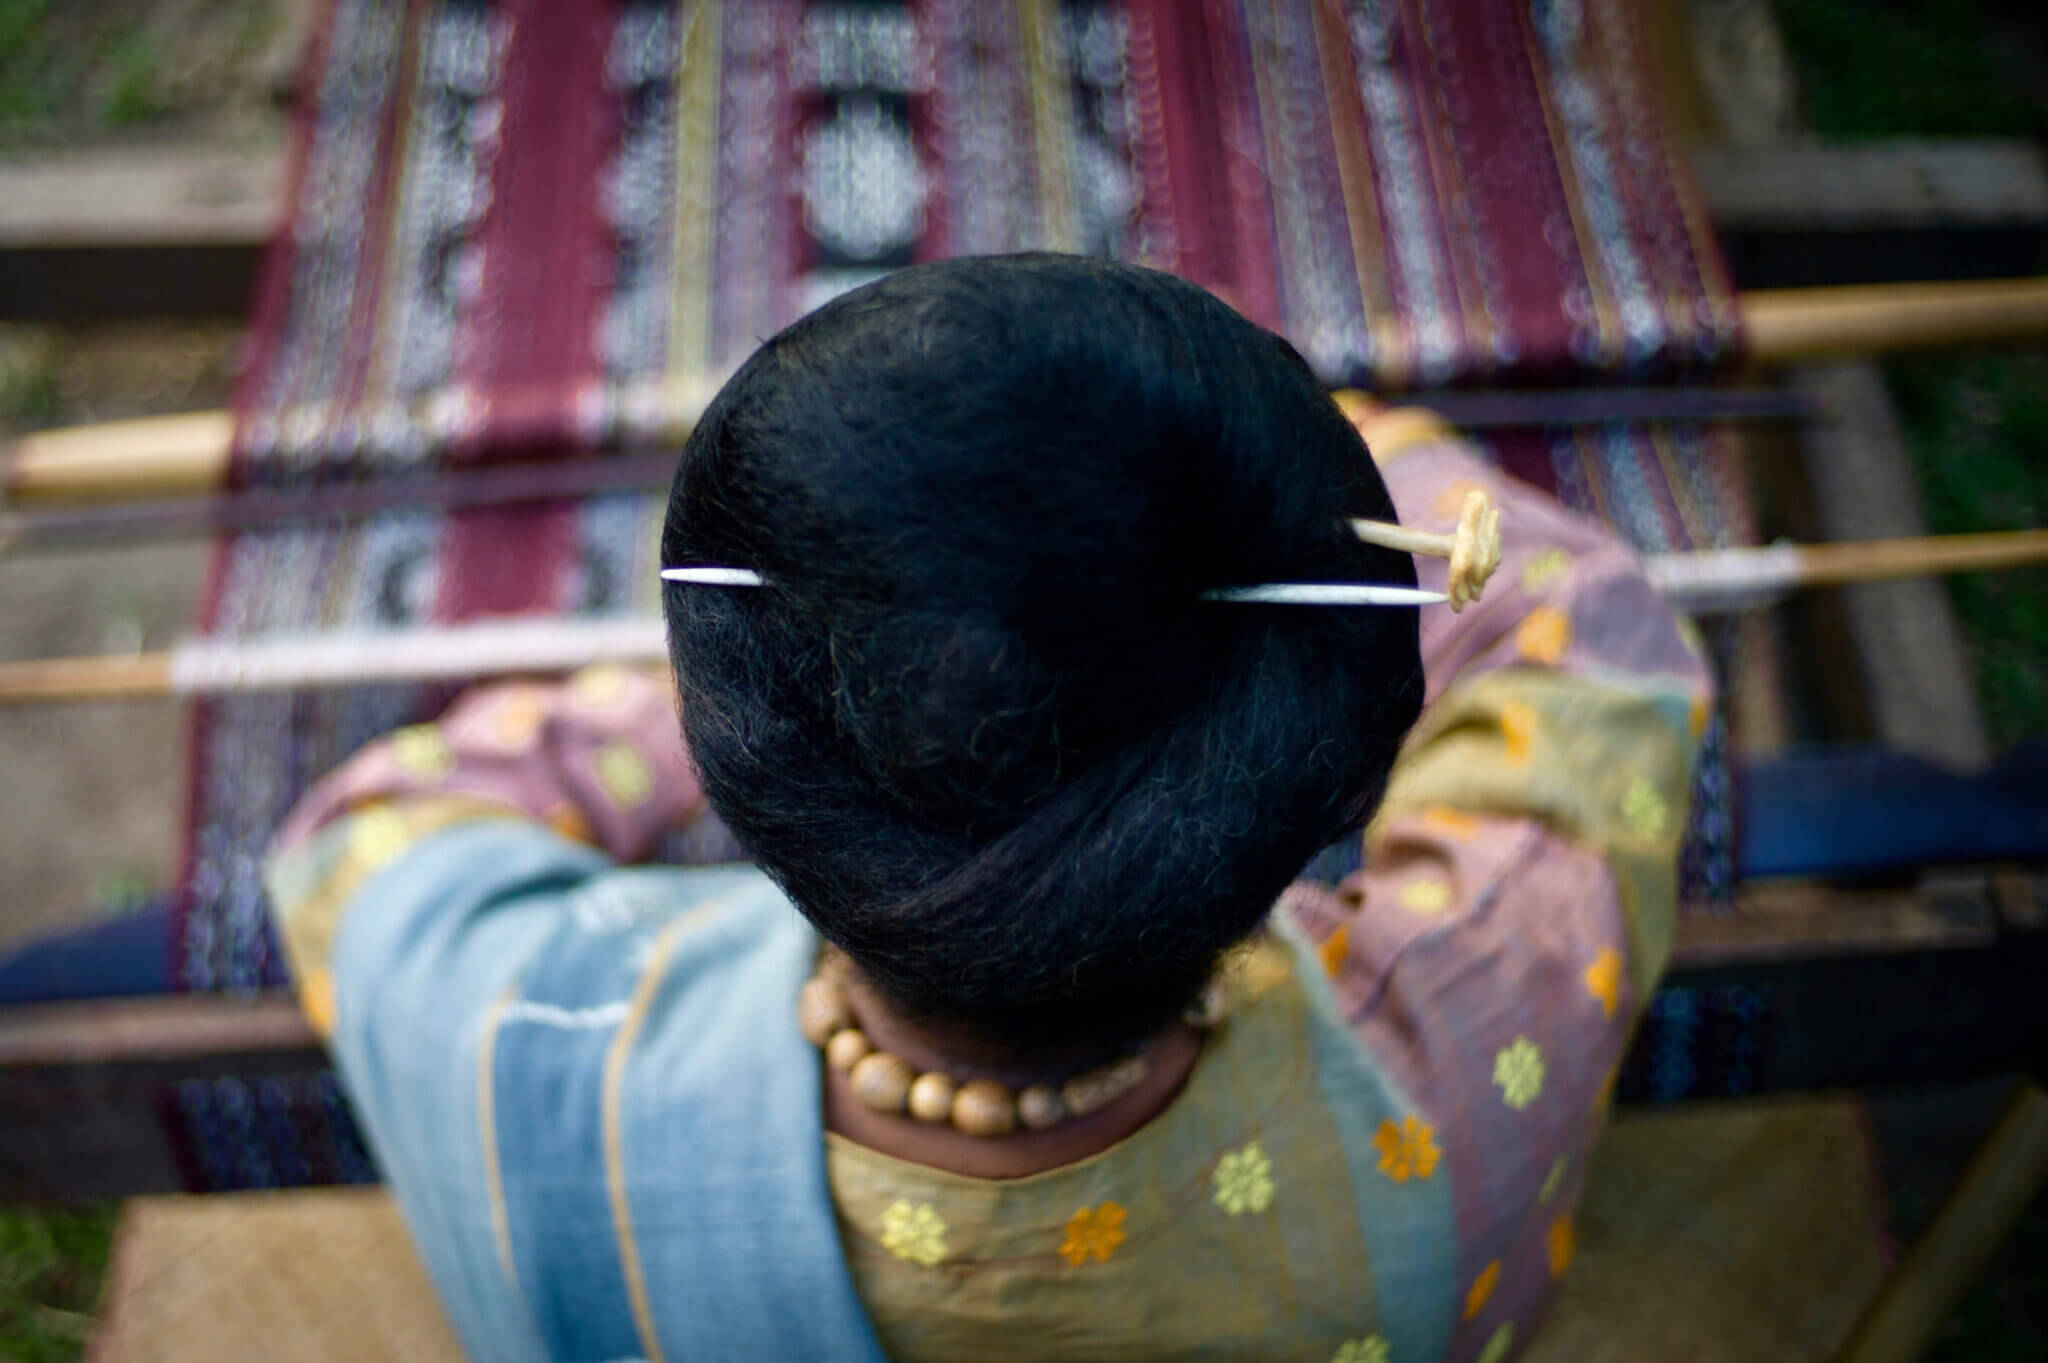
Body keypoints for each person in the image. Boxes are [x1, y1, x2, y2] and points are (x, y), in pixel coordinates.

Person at [265, 254, 1710, 1362]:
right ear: (1329, 773)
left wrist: (760, 671)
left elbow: (370, 833)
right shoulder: (1469, 1063)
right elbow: (1581, 640)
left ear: (742, 776)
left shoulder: (500, 1030)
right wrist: (1308, 462)